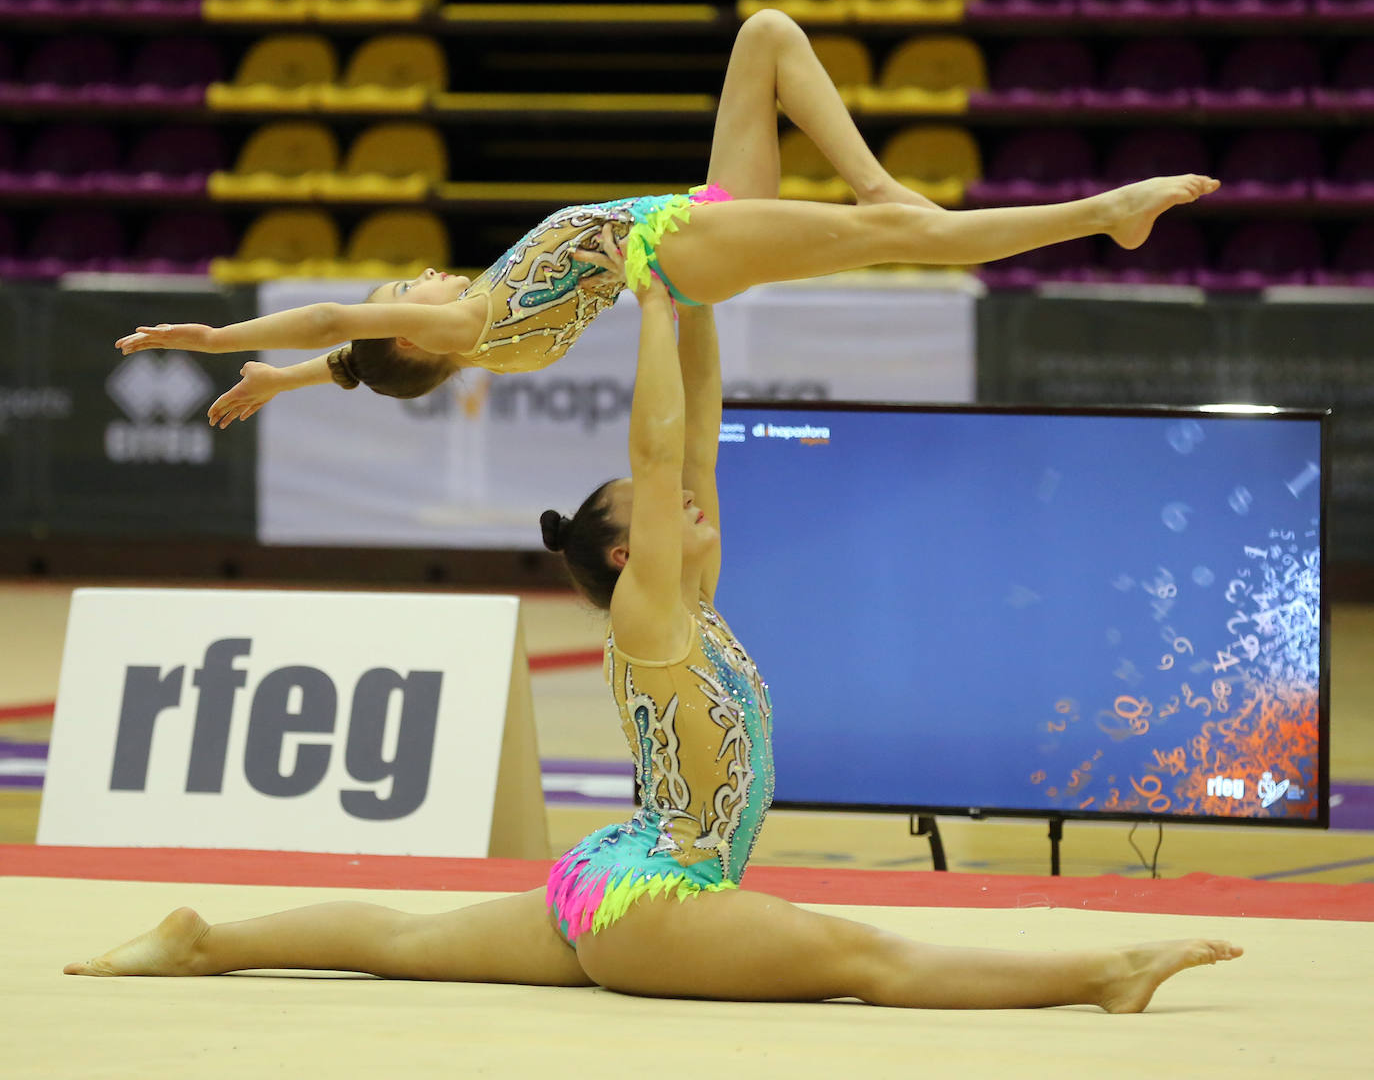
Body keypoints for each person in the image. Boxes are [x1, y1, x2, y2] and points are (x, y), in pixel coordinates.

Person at [68, 237, 1242, 1011]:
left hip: (612, 879)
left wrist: (697, 299)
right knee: (866, 959)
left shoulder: (691, 599)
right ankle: (1105, 968)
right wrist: (643, 306)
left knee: (407, 939)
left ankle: (206, 939)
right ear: (628, 554)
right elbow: (661, 444)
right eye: (667, 511)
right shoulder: (650, 616)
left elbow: (700, 432)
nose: (692, 504)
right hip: (658, 899)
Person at [112, 10, 1218, 429]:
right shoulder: (465, 327)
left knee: (769, 38)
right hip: (676, 248)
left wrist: (294, 384)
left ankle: (880, 184)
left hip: (695, 218)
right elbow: (328, 318)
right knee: (911, 239)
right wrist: (222, 340)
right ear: (414, 333)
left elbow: (354, 357)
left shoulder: (459, 343)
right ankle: (1105, 214)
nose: (419, 283)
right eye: (405, 295)